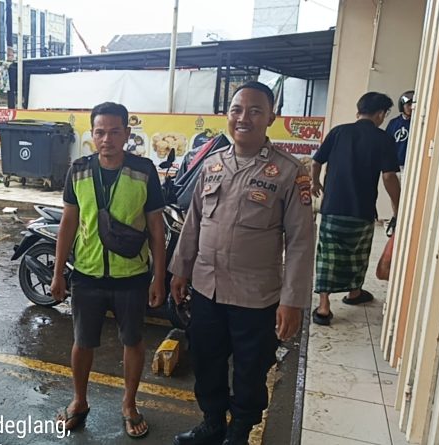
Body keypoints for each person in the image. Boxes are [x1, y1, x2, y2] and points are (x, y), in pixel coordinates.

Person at [169, 81, 316, 445]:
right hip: (207, 289)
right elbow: (194, 222)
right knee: (206, 361)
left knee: (251, 370)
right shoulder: (213, 164)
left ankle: (239, 432)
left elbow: (300, 241)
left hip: (256, 297)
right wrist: (180, 270)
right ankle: (212, 423)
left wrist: (292, 301)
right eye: (236, 110)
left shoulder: (289, 172)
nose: (243, 118)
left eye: (254, 111)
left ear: (271, 118)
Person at [50, 102, 166, 439]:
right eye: (100, 132)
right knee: (82, 342)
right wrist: (58, 272)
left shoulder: (144, 170)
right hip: (86, 274)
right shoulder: (79, 170)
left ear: (127, 134)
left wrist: (159, 277)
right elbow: (68, 223)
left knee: (133, 340)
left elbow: (156, 228)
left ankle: (129, 404)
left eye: (115, 132)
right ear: (92, 134)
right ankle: (79, 401)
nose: (107, 139)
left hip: (131, 275)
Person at [310, 92, 401, 326]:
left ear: (359, 110)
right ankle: (353, 293)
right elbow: (389, 176)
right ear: (380, 114)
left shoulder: (338, 132)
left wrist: (315, 182)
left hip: (332, 207)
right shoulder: (383, 139)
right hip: (362, 209)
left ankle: (324, 306)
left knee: (327, 256)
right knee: (358, 254)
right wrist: (398, 206)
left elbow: (316, 161)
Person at [385, 90, 415, 170]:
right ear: (402, 106)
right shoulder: (394, 123)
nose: (411, 107)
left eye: (413, 105)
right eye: (408, 105)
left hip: (411, 164)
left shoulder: (418, 123)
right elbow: (386, 143)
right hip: (395, 164)